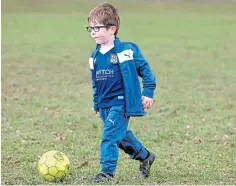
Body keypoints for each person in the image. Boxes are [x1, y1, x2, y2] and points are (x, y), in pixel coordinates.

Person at [87, 2, 157, 183]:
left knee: (109, 135)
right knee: (120, 136)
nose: (93, 32)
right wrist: (96, 103)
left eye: (97, 28)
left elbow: (145, 69)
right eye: (90, 28)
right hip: (104, 104)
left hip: (121, 103)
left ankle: (106, 172)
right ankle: (145, 156)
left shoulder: (127, 49)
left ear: (112, 29)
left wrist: (148, 91)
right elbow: (95, 83)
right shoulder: (93, 57)